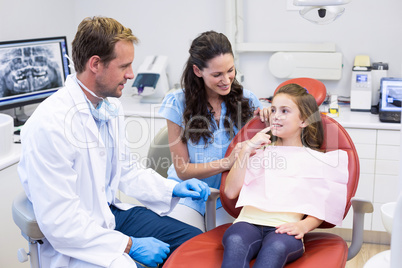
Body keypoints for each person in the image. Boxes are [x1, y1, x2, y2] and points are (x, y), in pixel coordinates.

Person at [17, 16, 211, 268]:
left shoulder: (109, 107)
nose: (131, 75)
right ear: (95, 64)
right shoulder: (50, 125)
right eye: (124, 66)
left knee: (195, 245)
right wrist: (129, 245)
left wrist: (171, 188)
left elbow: (125, 169)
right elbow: (60, 222)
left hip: (108, 213)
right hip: (77, 234)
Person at [221, 84, 349, 267]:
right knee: (235, 241)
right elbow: (231, 192)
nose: (276, 116)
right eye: (273, 110)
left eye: (284, 111)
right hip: (247, 223)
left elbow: (322, 206)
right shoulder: (258, 152)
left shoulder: (315, 160)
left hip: (284, 229)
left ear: (303, 120)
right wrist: (246, 150)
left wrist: (303, 226)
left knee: (276, 248)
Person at [158, 31, 263, 231]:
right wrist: (227, 162)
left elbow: (264, 150)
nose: (226, 80)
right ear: (198, 71)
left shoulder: (248, 101)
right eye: (217, 75)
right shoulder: (177, 103)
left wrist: (270, 117)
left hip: (230, 194)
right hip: (188, 193)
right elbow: (183, 170)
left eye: (230, 70)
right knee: (186, 242)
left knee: (232, 243)